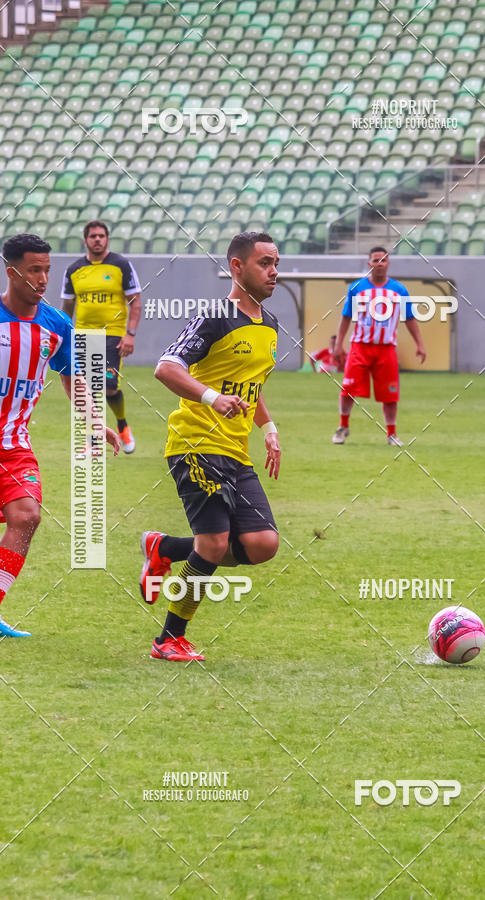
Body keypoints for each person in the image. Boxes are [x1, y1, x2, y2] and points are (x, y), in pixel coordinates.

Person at [139, 231, 281, 662]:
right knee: (216, 543)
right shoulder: (215, 316)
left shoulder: (270, 326)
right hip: (195, 444)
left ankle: (165, 548)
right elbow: (167, 368)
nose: (274, 271)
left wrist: (268, 426)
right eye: (265, 263)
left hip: (236, 452)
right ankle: (168, 639)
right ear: (237, 267)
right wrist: (211, 398)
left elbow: (249, 387)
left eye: (276, 262)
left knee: (262, 544)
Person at [0, 233, 119, 637]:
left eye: (47, 270)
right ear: (11, 270)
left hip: (14, 446)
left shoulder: (57, 325)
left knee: (27, 516)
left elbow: (75, 377)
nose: (43, 279)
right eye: (34, 270)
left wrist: (94, 420)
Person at [332, 246, 426, 446]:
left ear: (388, 263)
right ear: (369, 263)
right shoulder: (357, 288)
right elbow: (346, 317)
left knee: (390, 395)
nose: (379, 263)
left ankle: (392, 434)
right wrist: (338, 345)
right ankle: (342, 427)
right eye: (375, 260)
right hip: (360, 347)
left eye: (383, 260)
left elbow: (409, 318)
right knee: (347, 389)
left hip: (386, 349)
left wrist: (420, 344)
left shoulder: (399, 290)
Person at [61, 220, 141, 453]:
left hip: (113, 336)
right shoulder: (74, 269)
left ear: (107, 239)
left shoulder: (121, 265)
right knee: (86, 388)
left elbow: (135, 302)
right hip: (83, 335)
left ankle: (122, 424)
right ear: (85, 240)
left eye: (101, 236)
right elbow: (67, 306)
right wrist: (65, 336)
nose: (97, 239)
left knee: (108, 387)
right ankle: (94, 440)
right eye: (93, 236)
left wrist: (130, 334)